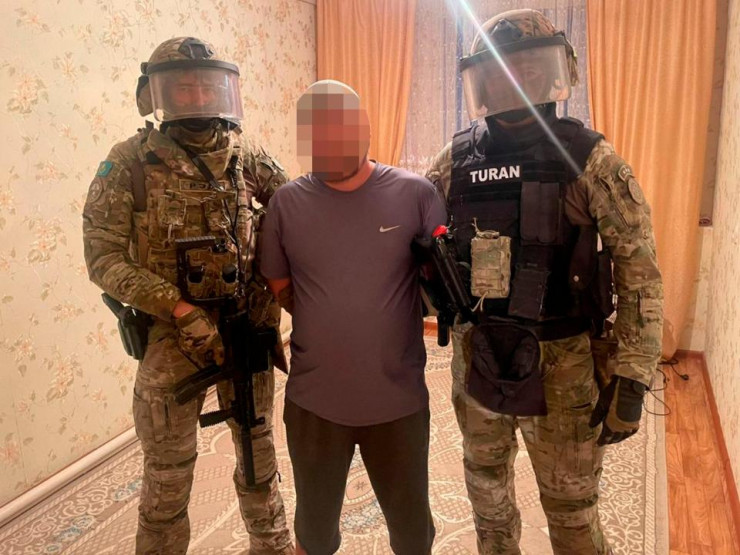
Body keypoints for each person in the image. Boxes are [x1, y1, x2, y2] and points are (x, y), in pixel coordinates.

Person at [425, 10, 663, 555]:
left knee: (571, 509)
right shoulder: (455, 160)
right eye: (499, 71)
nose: (515, 81)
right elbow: (417, 241)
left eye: (529, 69)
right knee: (487, 496)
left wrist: (632, 375)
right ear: (482, 81)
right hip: (478, 352)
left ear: (556, 72)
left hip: (564, 361)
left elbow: (640, 274)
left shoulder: (590, 160)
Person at [82, 37, 294, 555]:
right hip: (172, 336)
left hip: (246, 327)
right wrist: (175, 307)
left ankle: (272, 546)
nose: (198, 96)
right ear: (154, 93)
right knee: (167, 472)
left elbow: (295, 211)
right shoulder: (129, 162)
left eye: (207, 85)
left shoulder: (246, 155)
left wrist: (274, 286)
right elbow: (103, 256)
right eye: (183, 87)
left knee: (259, 456)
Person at [260, 79, 445, 555]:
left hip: (399, 401)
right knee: (314, 533)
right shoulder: (286, 204)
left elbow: (439, 282)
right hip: (315, 403)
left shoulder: (416, 194)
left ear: (364, 128)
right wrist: (333, 318)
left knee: (412, 533)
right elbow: (280, 285)